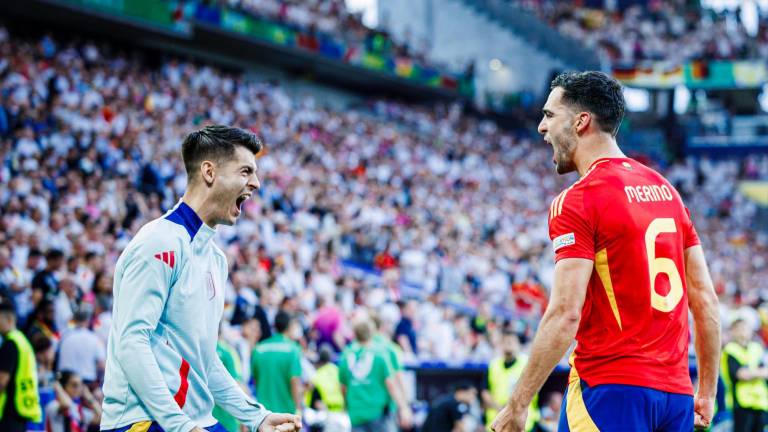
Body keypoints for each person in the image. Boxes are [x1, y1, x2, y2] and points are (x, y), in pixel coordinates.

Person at [490, 72, 721, 432]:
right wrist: (706, 390)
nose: (541, 127)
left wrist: (518, 404)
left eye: (550, 115)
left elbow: (565, 314)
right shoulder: (667, 192)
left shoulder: (579, 200)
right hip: (675, 396)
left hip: (609, 390)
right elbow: (704, 298)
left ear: (581, 121)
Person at [99, 125, 301, 432]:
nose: (256, 183)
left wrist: (255, 416)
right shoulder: (160, 241)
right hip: (144, 421)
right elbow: (131, 341)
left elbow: (205, 360)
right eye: (246, 171)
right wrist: (179, 426)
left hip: (194, 421)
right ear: (209, 172)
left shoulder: (216, 259)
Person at [338, 317, 412, 432]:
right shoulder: (380, 354)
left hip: (356, 413)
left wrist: (347, 406)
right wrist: (403, 407)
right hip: (379, 413)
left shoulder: (346, 356)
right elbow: (391, 384)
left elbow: (343, 387)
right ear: (372, 332)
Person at [0, 297, 42, 432]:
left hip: (9, 409)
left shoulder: (10, 343)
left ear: (9, 319)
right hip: (22, 406)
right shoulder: (22, 341)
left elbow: (2, 381)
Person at [482, 331, 538, 431]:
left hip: (523, 419)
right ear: (500, 344)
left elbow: (533, 389)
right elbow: (485, 392)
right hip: (496, 418)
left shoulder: (527, 363)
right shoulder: (493, 365)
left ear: (518, 344)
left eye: (512, 341)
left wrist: (511, 407)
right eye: (505, 341)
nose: (508, 344)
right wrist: (500, 409)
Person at [251, 310, 304, 415]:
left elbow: (256, 380)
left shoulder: (259, 348)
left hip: (264, 415)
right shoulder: (293, 349)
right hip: (286, 414)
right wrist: (299, 408)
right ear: (289, 326)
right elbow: (294, 380)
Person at [721, 319, 768, 432]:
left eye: (745, 328)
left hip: (760, 401)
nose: (743, 332)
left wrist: (750, 372)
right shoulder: (730, 350)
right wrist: (757, 372)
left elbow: (766, 372)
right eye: (739, 329)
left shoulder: (756, 348)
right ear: (733, 331)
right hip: (741, 403)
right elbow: (741, 374)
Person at [57, 308, 106, 388]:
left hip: (66, 384)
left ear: (74, 320)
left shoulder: (64, 337)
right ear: (88, 321)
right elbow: (102, 365)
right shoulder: (95, 339)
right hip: (87, 384)